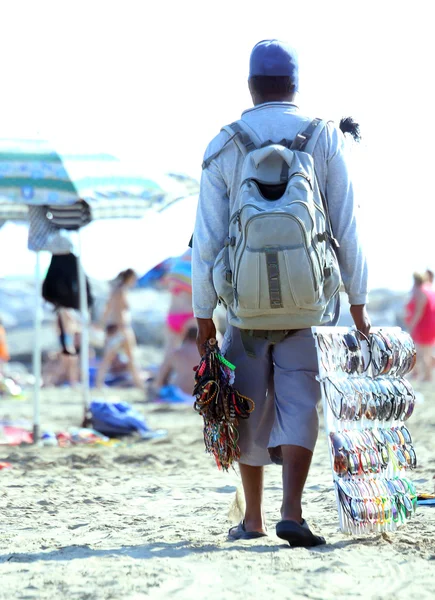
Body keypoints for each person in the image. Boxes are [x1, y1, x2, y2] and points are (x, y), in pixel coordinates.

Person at [192, 40, 369, 547]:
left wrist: (204, 313)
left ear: (251, 87)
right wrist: (358, 301)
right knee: (299, 400)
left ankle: (252, 521)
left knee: (245, 402)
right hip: (310, 305)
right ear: (294, 85)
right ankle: (293, 511)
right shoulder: (324, 137)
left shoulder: (224, 142)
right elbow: (346, 225)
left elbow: (206, 239)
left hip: (244, 311)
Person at [96, 269, 144, 390]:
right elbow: (122, 307)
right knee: (126, 356)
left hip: (116, 327)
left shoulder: (115, 290)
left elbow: (107, 309)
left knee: (116, 357)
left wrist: (102, 323)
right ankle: (137, 382)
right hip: (121, 328)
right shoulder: (121, 290)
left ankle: (138, 382)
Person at [152, 326, 197, 403]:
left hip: (181, 395)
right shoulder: (209, 353)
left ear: (185, 336)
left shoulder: (176, 353)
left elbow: (160, 380)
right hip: (203, 396)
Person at [405, 272, 435, 381]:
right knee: (426, 352)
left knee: (422, 353)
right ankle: (425, 375)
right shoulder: (428, 290)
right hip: (429, 325)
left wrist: (411, 325)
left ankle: (427, 377)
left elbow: (419, 311)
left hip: (423, 326)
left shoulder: (420, 291)